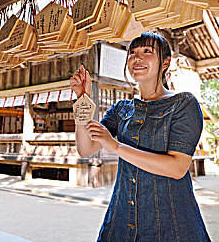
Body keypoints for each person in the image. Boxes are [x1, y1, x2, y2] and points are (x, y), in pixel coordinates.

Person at [70, 32, 210, 242]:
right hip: (122, 219)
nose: (137, 58)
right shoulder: (121, 109)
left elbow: (177, 168)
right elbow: (86, 148)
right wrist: (83, 99)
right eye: (132, 53)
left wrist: (116, 147)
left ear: (166, 62)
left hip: (171, 222)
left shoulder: (184, 104)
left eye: (147, 52)